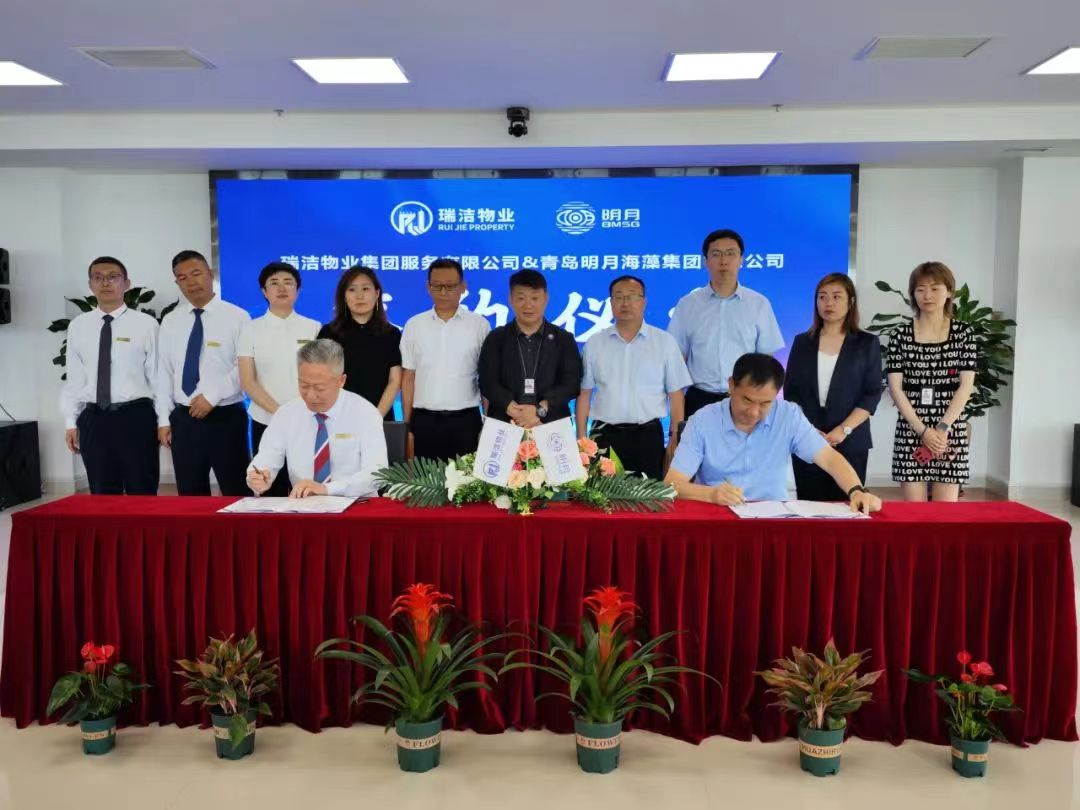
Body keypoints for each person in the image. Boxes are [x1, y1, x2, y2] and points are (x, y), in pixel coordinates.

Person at [664, 353, 882, 514]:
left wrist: (856, 490)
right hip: (717, 514)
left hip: (772, 516)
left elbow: (829, 458)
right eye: (747, 400)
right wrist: (711, 494)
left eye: (765, 403)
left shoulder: (788, 415)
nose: (754, 412)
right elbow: (671, 485)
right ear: (731, 385)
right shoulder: (702, 421)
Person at [60, 256, 160, 494]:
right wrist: (71, 422)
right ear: (90, 284)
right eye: (98, 277)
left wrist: (164, 420)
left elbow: (158, 377)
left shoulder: (146, 325)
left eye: (113, 277)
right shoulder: (78, 326)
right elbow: (75, 379)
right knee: (102, 494)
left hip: (136, 417)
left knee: (143, 491)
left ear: (127, 283)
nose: (105, 283)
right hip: (94, 419)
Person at [576, 275, 691, 480]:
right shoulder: (595, 343)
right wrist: (581, 440)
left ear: (643, 301)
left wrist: (675, 438)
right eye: (619, 297)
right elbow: (584, 395)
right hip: (604, 437)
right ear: (611, 303)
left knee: (648, 497)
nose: (625, 303)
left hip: (647, 438)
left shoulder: (664, 343)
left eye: (631, 296)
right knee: (603, 497)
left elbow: (676, 395)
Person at [156, 249, 251, 495]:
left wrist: (212, 396)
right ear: (177, 283)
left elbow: (245, 367)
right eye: (182, 277)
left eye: (196, 273)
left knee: (236, 491)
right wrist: (164, 419)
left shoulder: (238, 317)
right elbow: (163, 372)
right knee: (190, 494)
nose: (191, 282)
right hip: (184, 418)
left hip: (226, 416)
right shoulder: (171, 321)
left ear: (210, 274)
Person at [783, 273, 883, 500]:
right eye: (822, 297)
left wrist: (843, 429)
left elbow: (872, 393)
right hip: (808, 437)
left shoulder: (866, 343)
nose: (829, 303)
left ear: (851, 302)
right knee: (810, 506)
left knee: (848, 505)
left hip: (851, 438)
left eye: (837, 297)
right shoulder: (802, 342)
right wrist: (808, 429)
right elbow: (791, 393)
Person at [247, 339, 388, 498]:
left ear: (341, 381)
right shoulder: (287, 414)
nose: (310, 395)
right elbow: (266, 458)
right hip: (305, 506)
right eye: (304, 386)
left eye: (320, 388)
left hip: (358, 505)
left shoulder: (365, 413)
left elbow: (377, 473)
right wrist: (258, 477)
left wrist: (327, 489)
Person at [668, 228, 784, 418]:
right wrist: (677, 419)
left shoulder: (758, 304)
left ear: (741, 260)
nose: (724, 261)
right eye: (716, 254)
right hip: (699, 400)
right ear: (706, 261)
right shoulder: (688, 305)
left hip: (745, 400)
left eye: (731, 254)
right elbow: (676, 361)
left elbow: (765, 361)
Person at [886, 261, 977, 502]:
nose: (927, 295)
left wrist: (942, 428)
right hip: (911, 428)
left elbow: (966, 386)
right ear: (913, 294)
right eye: (920, 289)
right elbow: (895, 388)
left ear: (949, 292)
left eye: (935, 288)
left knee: (946, 515)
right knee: (914, 513)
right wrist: (922, 430)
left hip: (949, 430)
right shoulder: (900, 335)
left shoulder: (964, 333)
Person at [238, 261, 320, 496]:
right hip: (266, 420)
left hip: (307, 421)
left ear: (298, 290)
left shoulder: (314, 328)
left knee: (308, 491)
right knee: (269, 491)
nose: (281, 288)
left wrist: (297, 413)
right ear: (264, 291)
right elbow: (248, 381)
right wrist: (281, 413)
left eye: (288, 282)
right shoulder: (250, 329)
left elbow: (320, 377)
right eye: (274, 283)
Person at [400, 258, 490, 461]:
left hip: (466, 420)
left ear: (463, 287)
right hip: (424, 420)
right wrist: (407, 425)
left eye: (450, 286)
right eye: (437, 286)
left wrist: (488, 423)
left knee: (467, 480)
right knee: (425, 480)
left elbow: (486, 379)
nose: (443, 292)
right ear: (428, 287)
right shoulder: (414, 325)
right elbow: (408, 378)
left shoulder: (479, 325)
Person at [479, 269, 582, 427]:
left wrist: (540, 409)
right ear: (510, 299)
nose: (528, 305)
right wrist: (512, 409)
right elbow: (487, 381)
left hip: (552, 425)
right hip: (505, 424)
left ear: (546, 298)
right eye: (521, 298)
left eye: (535, 298)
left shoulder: (563, 339)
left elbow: (572, 384)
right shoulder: (496, 338)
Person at [317, 266, 402, 421]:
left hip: (380, 419)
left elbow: (395, 380)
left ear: (377, 294)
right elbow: (321, 377)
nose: (359, 296)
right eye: (352, 290)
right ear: (343, 296)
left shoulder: (391, 334)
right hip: (338, 418)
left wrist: (375, 417)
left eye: (365, 289)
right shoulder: (328, 333)